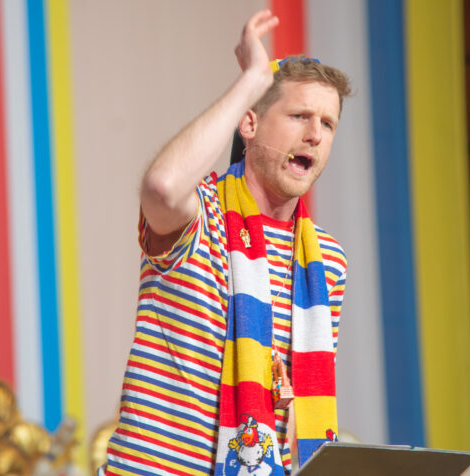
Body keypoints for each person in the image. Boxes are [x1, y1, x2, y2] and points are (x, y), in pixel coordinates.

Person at [101, 9, 352, 476]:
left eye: (328, 123)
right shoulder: (201, 215)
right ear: (249, 123)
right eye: (299, 115)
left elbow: (293, 415)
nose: (315, 135)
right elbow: (162, 187)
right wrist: (252, 80)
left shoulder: (327, 262)